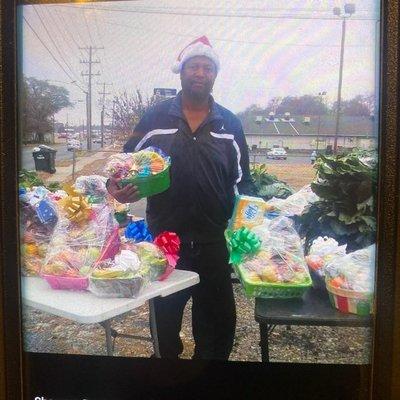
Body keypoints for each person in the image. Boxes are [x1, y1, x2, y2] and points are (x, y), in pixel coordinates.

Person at [106, 36, 253, 360]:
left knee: (218, 327)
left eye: (207, 67)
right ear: (182, 72)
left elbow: (244, 182)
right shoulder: (155, 119)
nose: (200, 73)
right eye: (194, 66)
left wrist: (252, 226)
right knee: (164, 324)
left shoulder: (229, 124)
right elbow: (123, 165)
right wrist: (116, 188)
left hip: (215, 243)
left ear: (214, 74)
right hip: (165, 242)